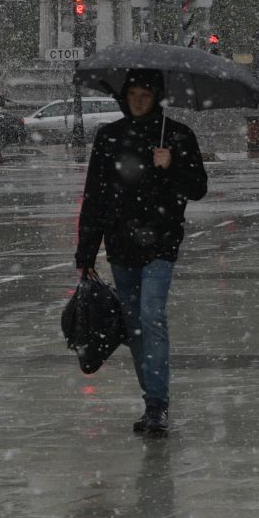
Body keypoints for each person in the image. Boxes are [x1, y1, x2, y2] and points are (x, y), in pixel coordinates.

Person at [73, 70, 208, 436]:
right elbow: (95, 198)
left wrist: (171, 165)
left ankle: (158, 404)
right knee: (134, 326)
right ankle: (151, 401)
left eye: (145, 95)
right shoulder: (109, 137)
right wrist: (86, 252)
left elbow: (198, 188)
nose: (137, 101)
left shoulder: (177, 136)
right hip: (120, 245)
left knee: (152, 316)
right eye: (132, 94)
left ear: (157, 97)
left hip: (161, 243)